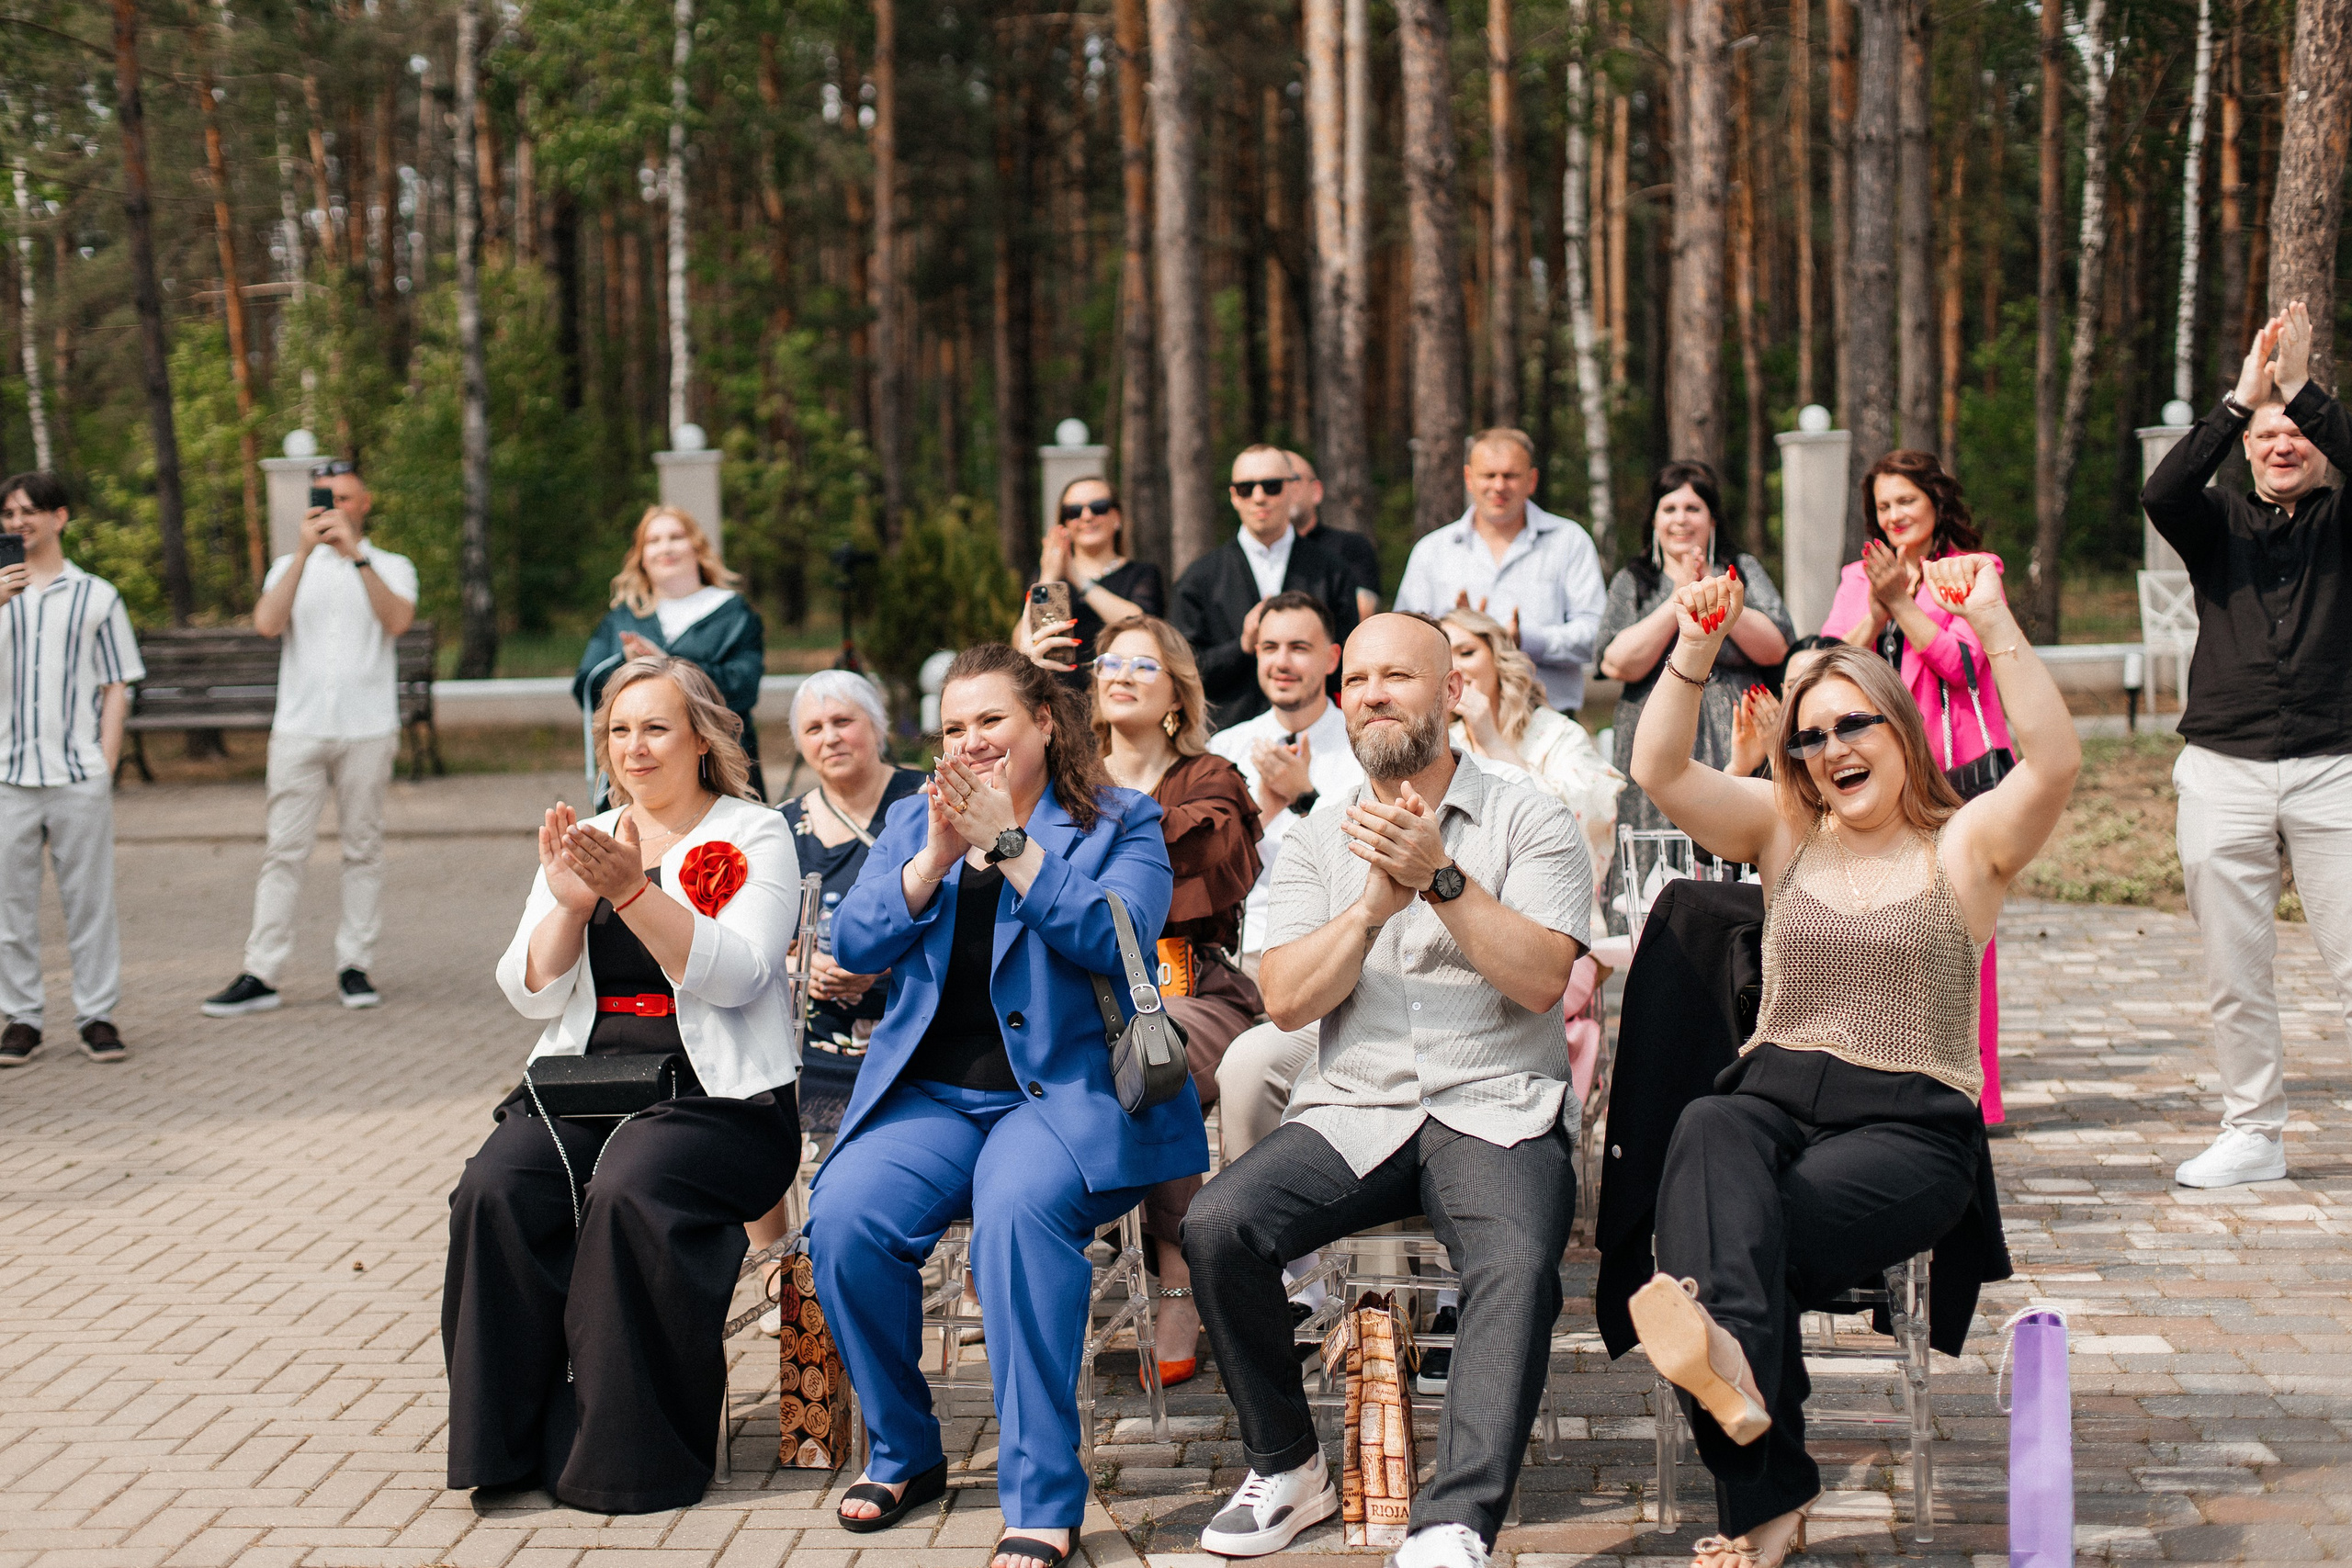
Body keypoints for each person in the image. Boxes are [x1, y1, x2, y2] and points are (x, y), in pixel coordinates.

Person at [1624, 561, 2075, 1568]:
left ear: (1898, 731)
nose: (1830, 749)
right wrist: (1695, 646)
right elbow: (1657, 770)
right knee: (1708, 1123)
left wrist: (1992, 621)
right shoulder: (1786, 833)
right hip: (1773, 1098)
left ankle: (1763, 1483)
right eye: (1811, 736)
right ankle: (1740, 1389)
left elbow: (2050, 767)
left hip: (1908, 1129)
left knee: (1732, 1241)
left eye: (1851, 726)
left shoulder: (1964, 848)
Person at [1185, 613, 1590, 1568]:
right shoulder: (1320, 841)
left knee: (1518, 1262)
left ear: (1450, 693)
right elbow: (1283, 1001)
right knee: (1217, 1224)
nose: (1371, 694)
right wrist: (1371, 906)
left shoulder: (1528, 817)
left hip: (1496, 1106)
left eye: (1397, 676)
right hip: (1353, 1110)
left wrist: (1440, 879)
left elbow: (1541, 980)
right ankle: (1287, 1469)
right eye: (1357, 680)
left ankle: (1454, 1519)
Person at [808, 645, 1204, 1568]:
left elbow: (1121, 937)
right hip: (934, 1098)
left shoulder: (1120, 821)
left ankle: (1043, 1497)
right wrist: (935, 856)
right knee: (844, 1218)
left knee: (1018, 1221)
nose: (971, 741)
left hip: (1061, 1100)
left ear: (1044, 725)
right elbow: (857, 939)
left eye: (990, 720)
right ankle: (906, 1451)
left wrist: (1011, 847)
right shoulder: (916, 817)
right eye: (953, 727)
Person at [443, 655, 803, 1514]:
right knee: (492, 1188)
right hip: (586, 1084)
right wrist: (570, 901)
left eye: (655, 728)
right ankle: (509, 1443)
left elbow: (742, 977)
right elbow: (527, 987)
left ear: (702, 739)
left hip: (720, 1103)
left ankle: (624, 1457)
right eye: (618, 730)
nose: (633, 748)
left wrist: (633, 890)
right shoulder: (591, 833)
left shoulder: (754, 833)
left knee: (631, 1183)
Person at [2143, 300, 2352, 1190]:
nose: (2282, 445)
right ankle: (2252, 1134)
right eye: (2265, 435)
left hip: (2335, 768)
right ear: (2245, 447)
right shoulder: (2216, 523)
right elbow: (2160, 492)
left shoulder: (2342, 522)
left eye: (2296, 432)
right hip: (2222, 768)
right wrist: (2238, 398)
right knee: (2236, 970)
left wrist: (2299, 387)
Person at [1081, 615, 1262, 1388]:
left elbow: (1209, 859)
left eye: (1142, 666)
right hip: (1083, 992)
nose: (1118, 672)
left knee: (1155, 1059)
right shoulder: (1066, 779)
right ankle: (1051, 1238)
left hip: (1190, 985)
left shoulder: (1211, 777)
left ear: (1176, 699)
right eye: (1108, 661)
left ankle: (1179, 1283)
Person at [1821, 452, 2015, 1123]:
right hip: (1877, 775)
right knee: (1886, 924)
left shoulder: (1971, 570)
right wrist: (1874, 611)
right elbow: (1829, 666)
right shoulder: (1858, 576)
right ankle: (1893, 1080)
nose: (1894, 515)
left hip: (1956, 775)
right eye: (1883, 506)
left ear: (1935, 501)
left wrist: (1905, 600)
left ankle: (1975, 1094)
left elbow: (1964, 664)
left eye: (1906, 500)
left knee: (1965, 927)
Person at [202, 459, 420, 1019]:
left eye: (347, 499)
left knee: (362, 847)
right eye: (328, 500)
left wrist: (357, 558)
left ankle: (355, 965)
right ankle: (262, 971)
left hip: (367, 728)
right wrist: (302, 553)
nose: (337, 510)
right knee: (283, 850)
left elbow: (397, 621)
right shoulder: (287, 565)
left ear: (364, 503)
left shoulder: (391, 565)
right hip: (298, 729)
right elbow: (267, 624)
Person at [1596, 462, 1793, 927]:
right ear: (1654, 519)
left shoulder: (1741, 569)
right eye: (1670, 508)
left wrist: (1721, 598)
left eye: (1693, 507)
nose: (1681, 519)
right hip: (1656, 734)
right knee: (1653, 839)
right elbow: (1615, 661)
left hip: (1737, 736)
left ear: (1713, 519)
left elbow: (1776, 645)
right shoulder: (1636, 579)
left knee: (1732, 837)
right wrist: (1679, 600)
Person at [1205, 592, 1364, 1163]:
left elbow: (1362, 864)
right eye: (1269, 647)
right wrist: (1263, 811)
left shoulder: (1362, 744)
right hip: (1238, 960)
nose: (1282, 661)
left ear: (1331, 658)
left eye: (1299, 647)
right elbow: (1205, 874)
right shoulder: (1224, 750)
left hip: (1333, 956)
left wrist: (1306, 798)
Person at [0, 471, 141, 1067]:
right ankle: (22, 1018)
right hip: (7, 773)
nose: (17, 522)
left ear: (60, 517)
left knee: (89, 901)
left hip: (76, 772)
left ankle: (97, 1014)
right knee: (10, 904)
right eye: (8, 513)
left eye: (29, 511)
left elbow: (117, 684)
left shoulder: (97, 596)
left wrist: (104, 763)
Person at [1393, 428, 1609, 714]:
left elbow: (1597, 636)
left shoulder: (1568, 541)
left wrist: (1527, 641)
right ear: (1469, 479)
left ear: (1532, 480)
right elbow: (1404, 639)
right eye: (1488, 475)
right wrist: (1455, 634)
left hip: (1547, 719)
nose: (1498, 486)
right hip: (1453, 722)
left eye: (1510, 476)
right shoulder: (1433, 551)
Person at [575, 506, 769, 796]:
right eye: (653, 541)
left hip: (718, 764)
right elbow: (586, 687)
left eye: (675, 537)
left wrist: (666, 666)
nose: (665, 547)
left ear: (697, 547)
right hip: (641, 765)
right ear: (641, 556)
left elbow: (744, 686)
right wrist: (626, 668)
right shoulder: (623, 618)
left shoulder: (733, 612)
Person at [1172, 445, 1363, 730]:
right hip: (1225, 738)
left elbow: (1350, 659)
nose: (1259, 497)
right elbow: (1181, 668)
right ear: (1234, 497)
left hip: (1317, 733)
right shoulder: (1200, 577)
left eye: (1271, 486)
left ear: (1293, 490)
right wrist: (1241, 646)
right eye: (1246, 488)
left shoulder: (1332, 570)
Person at [1441, 604, 1621, 902]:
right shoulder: (1442, 743)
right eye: (1444, 660)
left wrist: (1491, 741)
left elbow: (1582, 818)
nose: (1455, 669)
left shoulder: (1556, 734)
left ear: (1498, 659)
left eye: (1467, 652)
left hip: (1553, 905)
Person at [1017, 477, 1166, 689]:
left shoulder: (1142, 573)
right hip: (1058, 695)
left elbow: (1142, 625)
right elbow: (1021, 641)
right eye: (1074, 511)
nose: (1086, 516)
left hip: (1119, 691)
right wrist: (1048, 578)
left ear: (1117, 517)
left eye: (1098, 507)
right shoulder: (1046, 577)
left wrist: (1077, 577)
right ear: (1064, 524)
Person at [1281, 450, 1382, 621]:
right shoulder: (1247, 556)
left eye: (1293, 479)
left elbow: (1363, 612)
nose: (1285, 488)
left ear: (1316, 491)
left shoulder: (1350, 546)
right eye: (1273, 483)